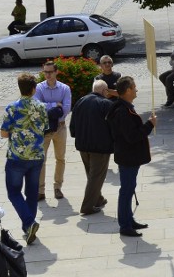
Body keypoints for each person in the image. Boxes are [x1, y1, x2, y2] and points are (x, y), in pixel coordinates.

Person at [105, 76, 156, 238]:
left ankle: (129, 219)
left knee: (129, 188)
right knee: (126, 190)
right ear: (127, 91)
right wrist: (149, 125)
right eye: (134, 88)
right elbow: (132, 136)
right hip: (128, 156)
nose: (136, 90)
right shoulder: (122, 111)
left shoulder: (123, 107)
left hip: (128, 156)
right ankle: (125, 225)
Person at [1, 73, 48, 244]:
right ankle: (28, 227)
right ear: (34, 89)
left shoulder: (12, 108)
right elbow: (45, 128)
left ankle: (29, 223)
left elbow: (4, 133)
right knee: (32, 193)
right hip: (36, 155)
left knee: (14, 192)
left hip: (17, 156)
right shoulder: (42, 107)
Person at [69, 80, 113, 216]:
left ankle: (98, 199)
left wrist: (76, 135)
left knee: (92, 174)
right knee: (96, 176)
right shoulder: (106, 104)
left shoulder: (80, 101)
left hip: (83, 145)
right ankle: (87, 206)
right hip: (100, 147)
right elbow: (113, 125)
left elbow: (73, 125)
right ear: (104, 91)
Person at [35, 61, 71, 201]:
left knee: (60, 158)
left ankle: (57, 187)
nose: (48, 75)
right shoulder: (39, 87)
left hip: (60, 127)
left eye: (50, 72)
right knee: (41, 160)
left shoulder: (64, 88)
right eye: (45, 72)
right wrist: (55, 105)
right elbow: (37, 106)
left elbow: (66, 109)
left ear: (56, 72)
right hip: (44, 128)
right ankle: (40, 190)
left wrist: (48, 109)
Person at [160, 37, 174, 108]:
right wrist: (172, 59)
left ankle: (170, 98)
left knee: (168, 79)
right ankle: (173, 90)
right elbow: (171, 63)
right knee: (162, 77)